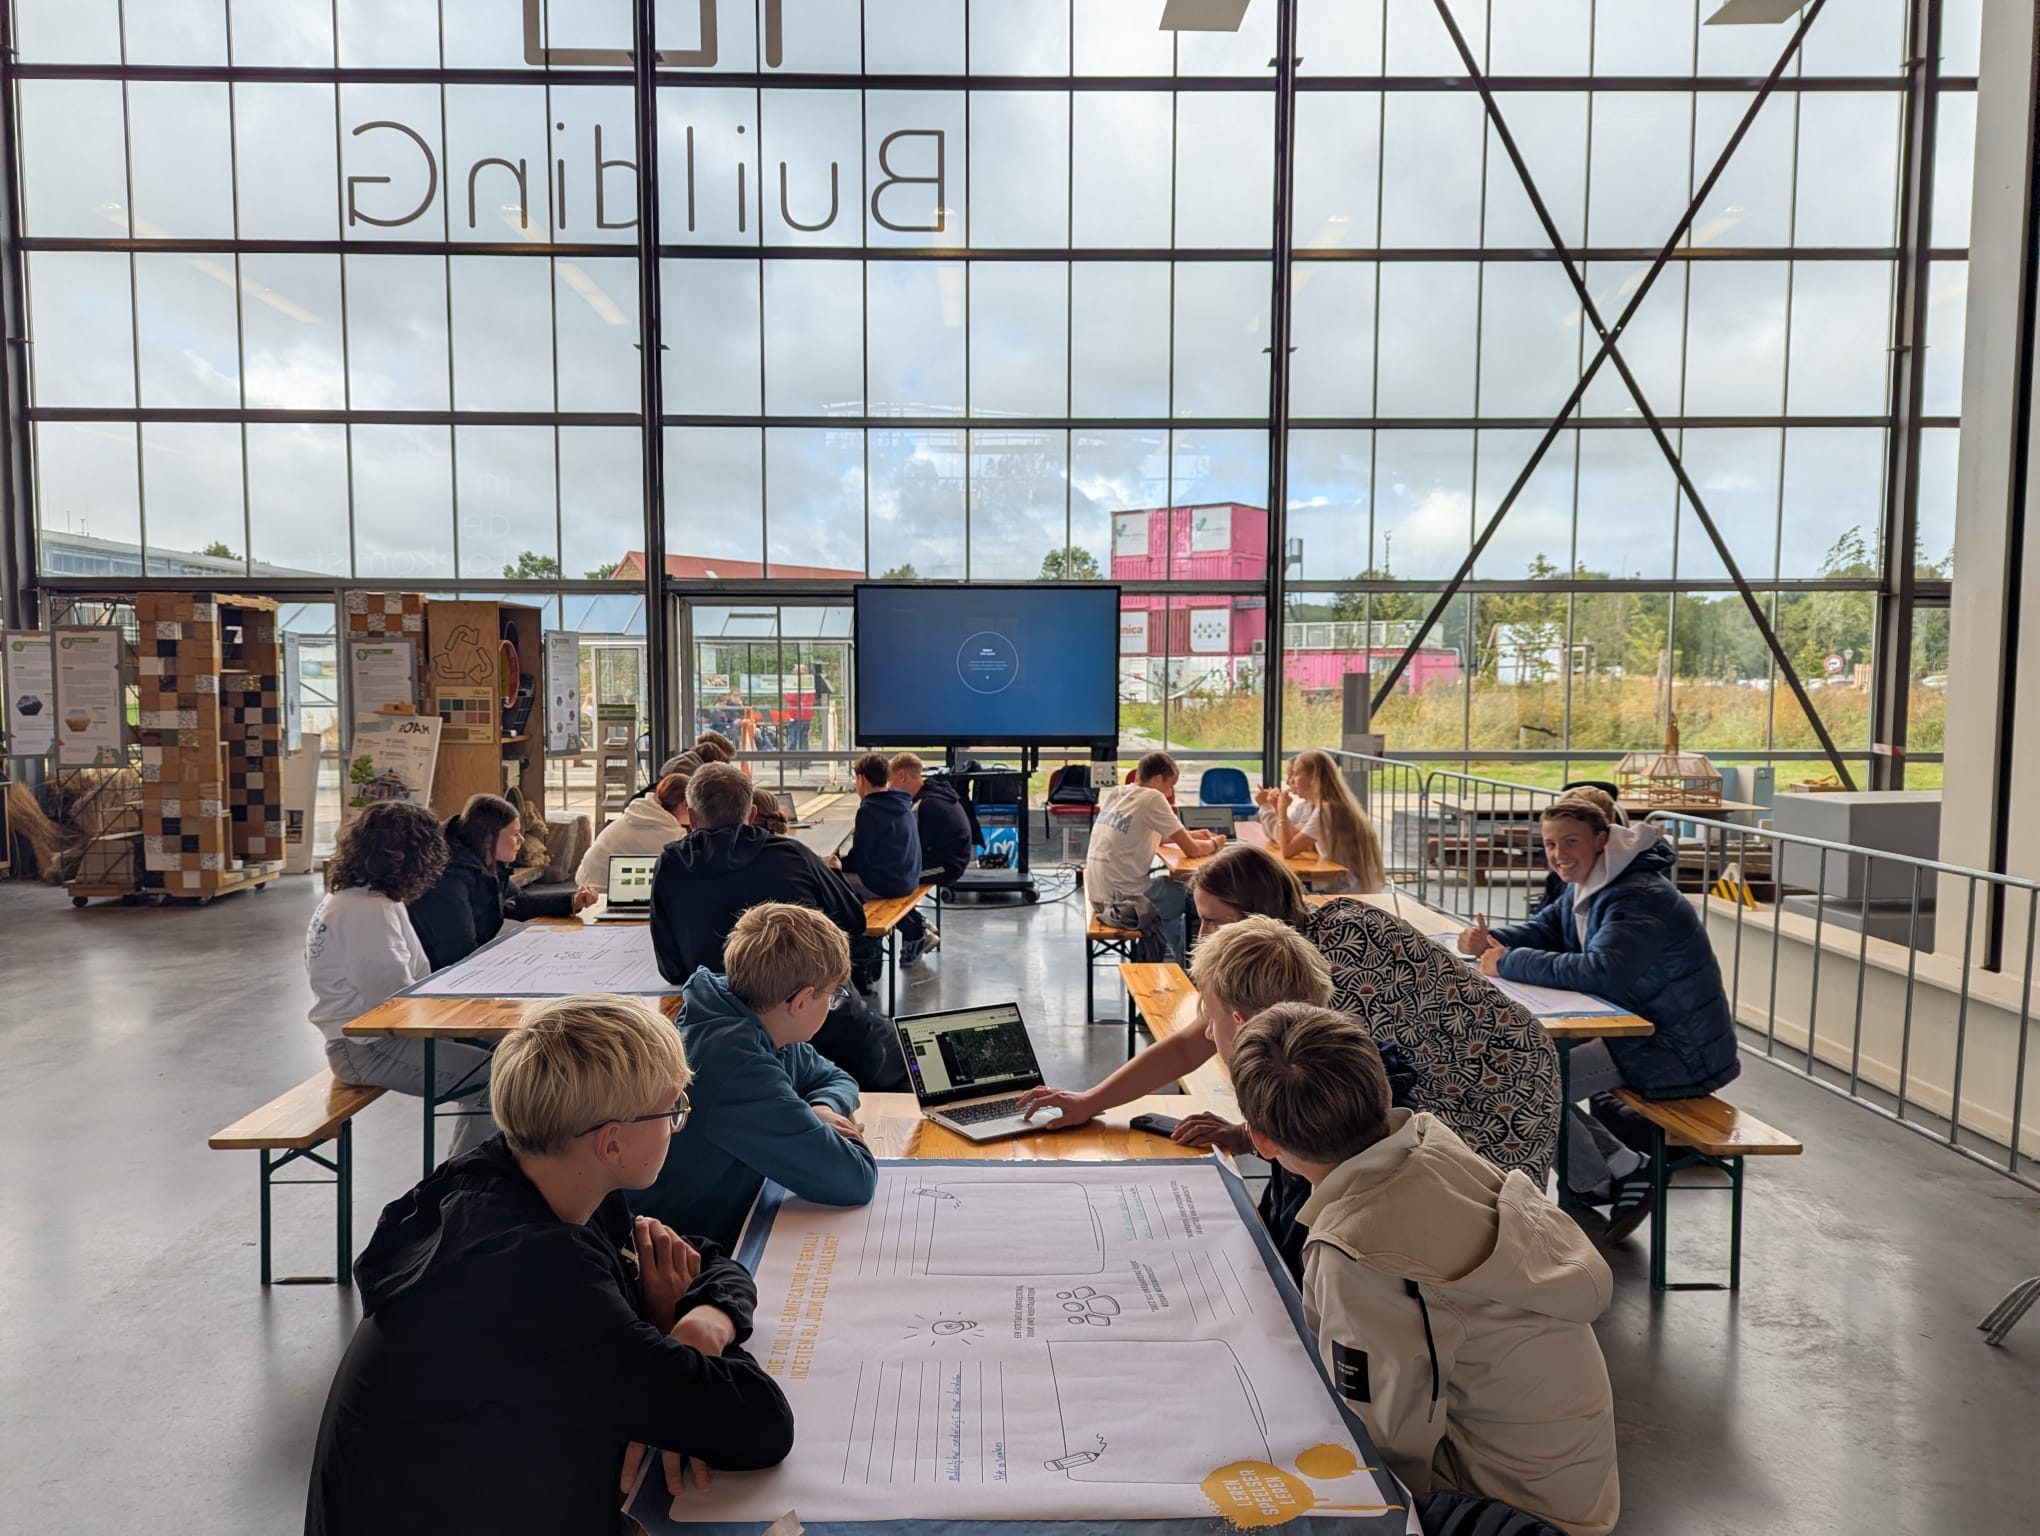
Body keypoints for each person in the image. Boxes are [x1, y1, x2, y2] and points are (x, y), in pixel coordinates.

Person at [304, 993, 795, 1535]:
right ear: (612, 1142)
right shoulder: (530, 1275)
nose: (677, 1125)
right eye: (673, 1111)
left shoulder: (527, 1179)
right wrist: (672, 1329)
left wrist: (701, 1321)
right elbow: (759, 1425)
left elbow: (705, 1259)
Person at [1230, 1003, 1619, 1536]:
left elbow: (1381, 1445)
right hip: (1567, 1484)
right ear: (1385, 1094)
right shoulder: (1432, 1144)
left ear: (1261, 1141)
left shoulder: (1358, 1251)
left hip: (1508, 1515)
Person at [1460, 786, 1740, 1238]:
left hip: (1672, 1047)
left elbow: (1603, 971)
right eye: (1550, 843)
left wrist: (1506, 961)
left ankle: (1607, 1176)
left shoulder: (1638, 896)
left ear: (1602, 840)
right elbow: (1547, 928)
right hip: (1638, 1035)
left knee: (1523, 1084)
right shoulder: (1594, 883)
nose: (1558, 854)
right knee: (1523, 1072)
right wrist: (1493, 941)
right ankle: (1617, 1169)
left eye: (1570, 841)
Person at [1014, 915, 1336, 1269]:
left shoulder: (1308, 1104)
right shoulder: (1309, 1059)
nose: (1209, 1036)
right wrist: (1246, 1136)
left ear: (1243, 1023)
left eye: (1211, 1021)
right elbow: (1186, 1048)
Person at [632, 903, 880, 1249]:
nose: (833, 1005)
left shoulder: (746, 1011)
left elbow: (836, 1078)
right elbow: (856, 1179)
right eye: (833, 996)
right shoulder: (738, 1068)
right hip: (683, 1251)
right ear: (802, 1000)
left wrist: (822, 1109)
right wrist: (832, 1129)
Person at [648, 763, 907, 1091]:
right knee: (907, 1064)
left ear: (692, 818)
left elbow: (672, 969)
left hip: (729, 1038)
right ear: (752, 813)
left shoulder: (670, 865)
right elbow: (854, 921)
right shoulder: (790, 854)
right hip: (829, 1028)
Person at [307, 802, 497, 1158]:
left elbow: (414, 980)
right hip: (366, 1047)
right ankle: (464, 1183)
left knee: (503, 1054)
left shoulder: (368, 897)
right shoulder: (366, 910)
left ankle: (470, 1173)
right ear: (409, 856)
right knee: (498, 1080)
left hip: (373, 1036)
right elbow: (393, 1002)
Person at [406, 793, 579, 972]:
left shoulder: (483, 859)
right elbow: (459, 953)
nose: (521, 839)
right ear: (489, 837)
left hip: (468, 964)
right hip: (442, 977)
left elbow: (516, 902)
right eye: (514, 834)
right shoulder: (450, 877)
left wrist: (572, 901)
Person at [1083, 750, 1223, 961]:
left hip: (1099, 894)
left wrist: (1190, 834)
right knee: (1194, 896)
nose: (1169, 793)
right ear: (1158, 779)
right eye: (1170, 785)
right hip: (1122, 902)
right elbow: (1192, 850)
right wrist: (1215, 843)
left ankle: (1170, 960)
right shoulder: (1152, 797)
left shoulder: (1118, 794)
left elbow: (1148, 835)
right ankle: (1195, 964)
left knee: (1168, 901)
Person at [1254, 748, 1386, 895]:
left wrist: (1282, 811)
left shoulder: (1328, 810)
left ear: (1313, 777)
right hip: (1351, 886)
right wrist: (1276, 809)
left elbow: (1288, 850)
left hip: (1351, 891)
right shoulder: (1328, 805)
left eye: (1296, 773)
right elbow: (1292, 836)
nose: (1291, 781)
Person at [889, 752, 972, 966]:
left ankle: (916, 934)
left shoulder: (927, 805)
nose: (890, 787)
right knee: (891, 875)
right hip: (947, 859)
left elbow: (917, 849)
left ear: (902, 776)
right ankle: (918, 926)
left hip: (947, 866)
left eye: (891, 781)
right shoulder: (935, 795)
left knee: (891, 881)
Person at [574, 772, 689, 896]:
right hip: (604, 894)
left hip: (586, 884)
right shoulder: (671, 834)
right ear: (684, 805)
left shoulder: (640, 813)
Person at [829, 752, 922, 900]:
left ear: (861, 779)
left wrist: (836, 865)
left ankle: (841, 922)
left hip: (884, 886)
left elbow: (859, 860)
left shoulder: (870, 811)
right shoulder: (901, 803)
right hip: (908, 880)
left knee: (825, 880)